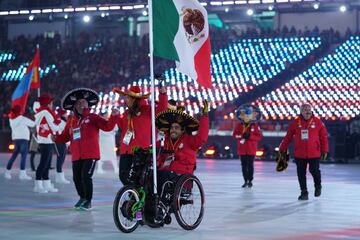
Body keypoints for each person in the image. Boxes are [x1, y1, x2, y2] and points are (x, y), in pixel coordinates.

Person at [54, 88, 118, 210]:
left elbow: (108, 127)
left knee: (85, 177)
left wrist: (114, 118)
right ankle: (82, 198)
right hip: (76, 154)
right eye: (79, 103)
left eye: (84, 102)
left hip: (91, 154)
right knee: (76, 178)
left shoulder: (93, 117)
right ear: (75, 106)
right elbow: (65, 136)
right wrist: (56, 138)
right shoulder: (71, 121)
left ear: (88, 104)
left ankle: (88, 201)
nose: (82, 104)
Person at [112, 85, 167, 186]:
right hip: (126, 150)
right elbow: (123, 127)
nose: (126, 100)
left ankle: (136, 197)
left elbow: (161, 111)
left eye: (128, 98)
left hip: (140, 151)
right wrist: (115, 117)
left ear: (134, 99)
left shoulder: (147, 110)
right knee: (123, 176)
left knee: (138, 177)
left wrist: (163, 95)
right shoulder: (127, 113)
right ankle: (132, 195)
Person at [155, 100, 209, 193]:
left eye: (176, 128)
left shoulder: (190, 140)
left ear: (182, 130)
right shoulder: (165, 140)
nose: (173, 130)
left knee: (161, 176)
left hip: (182, 175)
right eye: (171, 128)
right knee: (149, 175)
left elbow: (202, 138)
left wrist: (204, 117)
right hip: (166, 172)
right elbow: (154, 149)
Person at [279, 103, 329, 200]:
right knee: (301, 173)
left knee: (314, 170)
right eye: (305, 109)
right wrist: (282, 148)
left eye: (309, 109)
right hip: (300, 153)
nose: (308, 111)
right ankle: (304, 192)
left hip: (314, 153)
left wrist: (325, 150)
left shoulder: (318, 122)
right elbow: (288, 137)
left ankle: (318, 186)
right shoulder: (295, 123)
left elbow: (323, 138)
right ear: (301, 112)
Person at [34, 93, 61, 193]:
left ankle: (46, 183)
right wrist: (60, 126)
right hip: (46, 140)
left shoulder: (41, 112)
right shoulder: (46, 112)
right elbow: (53, 127)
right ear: (48, 103)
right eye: (51, 102)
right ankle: (38, 185)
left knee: (46, 163)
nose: (52, 104)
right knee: (44, 163)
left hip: (45, 140)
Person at [232, 103, 263, 188]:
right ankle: (245, 180)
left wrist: (250, 136)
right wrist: (241, 136)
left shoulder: (255, 126)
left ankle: (250, 180)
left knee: (250, 165)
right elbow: (235, 135)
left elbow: (259, 137)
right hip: (242, 149)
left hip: (251, 149)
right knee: (243, 166)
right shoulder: (239, 125)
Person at [4, 105, 35, 180]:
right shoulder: (22, 118)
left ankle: (7, 172)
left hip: (16, 139)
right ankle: (22, 174)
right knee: (23, 157)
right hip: (24, 140)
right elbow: (33, 124)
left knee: (14, 156)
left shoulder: (11, 119)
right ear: (19, 111)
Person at [54, 108, 70, 184]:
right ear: (62, 114)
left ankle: (59, 176)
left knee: (61, 159)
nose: (66, 115)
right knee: (60, 159)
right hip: (60, 142)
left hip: (61, 142)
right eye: (65, 113)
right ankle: (59, 177)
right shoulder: (60, 122)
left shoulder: (61, 121)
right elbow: (64, 132)